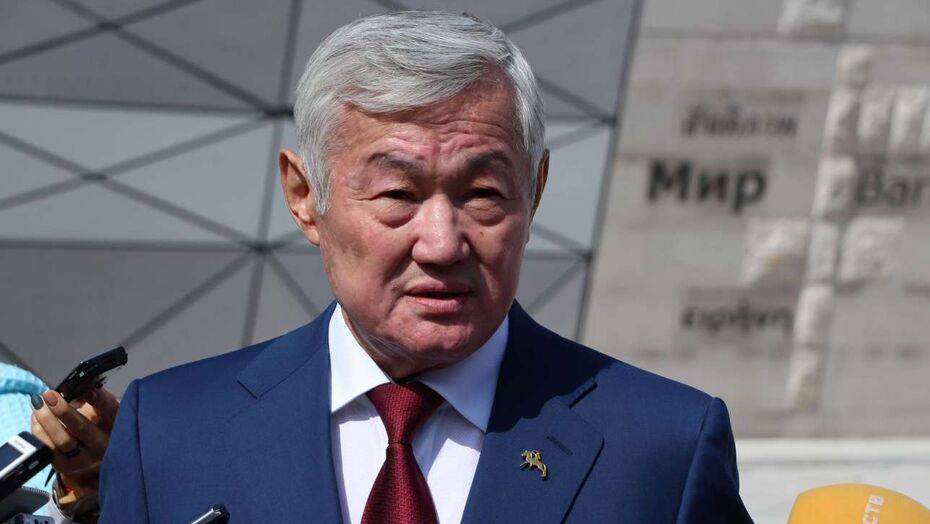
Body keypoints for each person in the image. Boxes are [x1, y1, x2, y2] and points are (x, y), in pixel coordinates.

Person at [86, 11, 751, 523]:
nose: (441, 243)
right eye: (398, 195)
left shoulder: (663, 449)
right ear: (305, 196)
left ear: (535, 191)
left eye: (483, 193)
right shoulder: (170, 434)